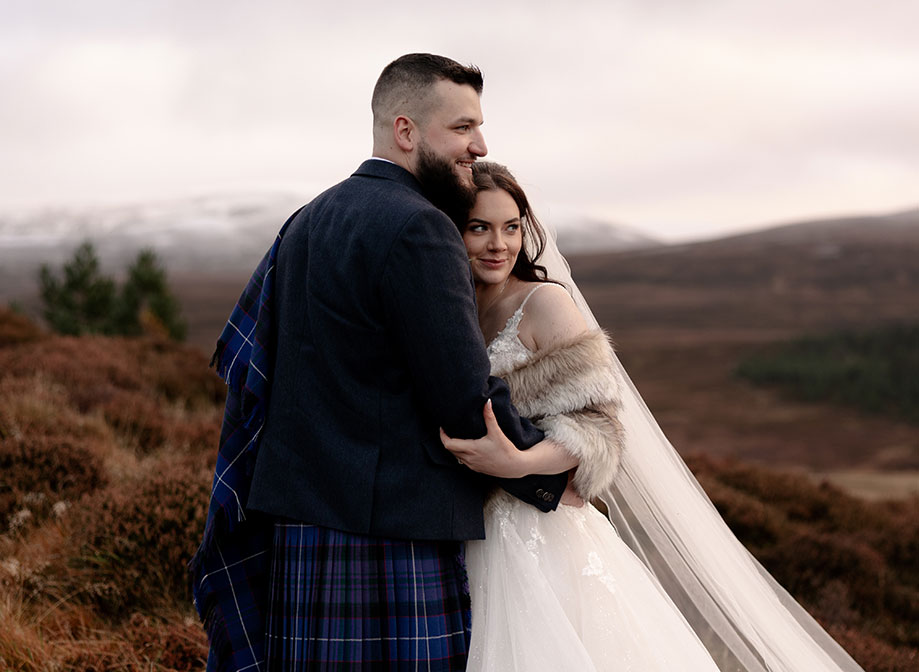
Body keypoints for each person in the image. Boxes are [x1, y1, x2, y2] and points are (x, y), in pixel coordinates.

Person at [191, 55, 568, 671]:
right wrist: (551, 470)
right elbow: (461, 396)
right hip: (392, 540)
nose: (480, 144)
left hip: (302, 532)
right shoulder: (421, 228)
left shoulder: (308, 220)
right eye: (463, 127)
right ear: (406, 130)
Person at [441, 162, 866, 671]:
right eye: (479, 227)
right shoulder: (455, 307)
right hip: (468, 532)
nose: (498, 244)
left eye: (511, 227)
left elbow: (599, 431)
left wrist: (514, 462)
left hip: (538, 535)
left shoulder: (544, 303)